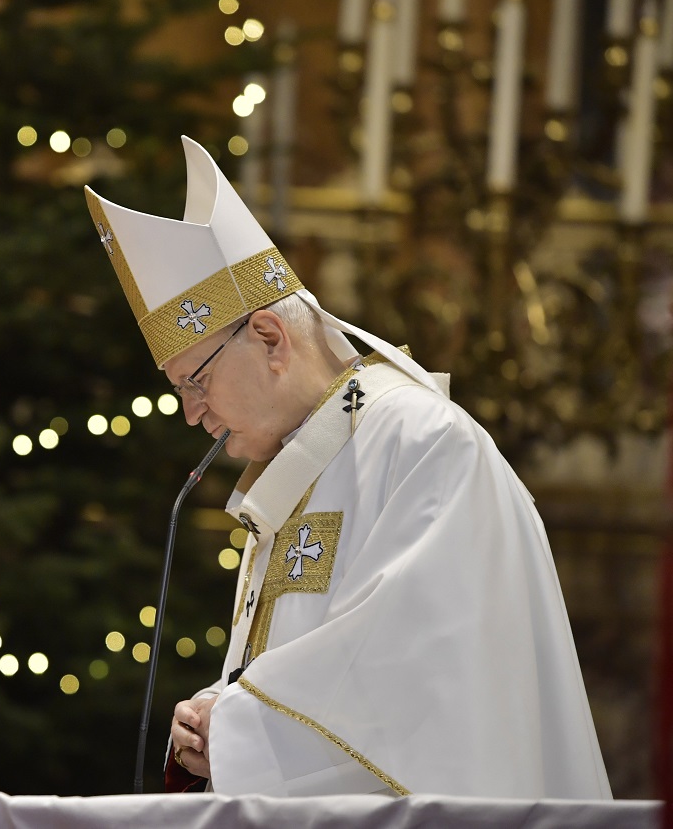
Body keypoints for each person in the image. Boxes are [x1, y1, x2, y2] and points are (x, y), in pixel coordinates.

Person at [83, 137, 611, 798]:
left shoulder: (423, 442)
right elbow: (307, 661)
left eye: (196, 381)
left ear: (270, 338)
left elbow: (419, 670)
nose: (192, 413)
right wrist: (213, 715)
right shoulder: (299, 468)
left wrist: (239, 728)